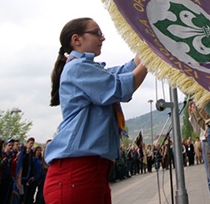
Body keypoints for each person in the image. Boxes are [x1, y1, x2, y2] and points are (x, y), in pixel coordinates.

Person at [43, 17, 148, 204]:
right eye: (97, 33)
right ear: (77, 40)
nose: (103, 38)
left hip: (91, 171)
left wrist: (149, 43)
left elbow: (126, 69)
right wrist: (151, 59)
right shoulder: (77, 67)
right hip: (76, 172)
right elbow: (119, 87)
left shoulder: (89, 68)